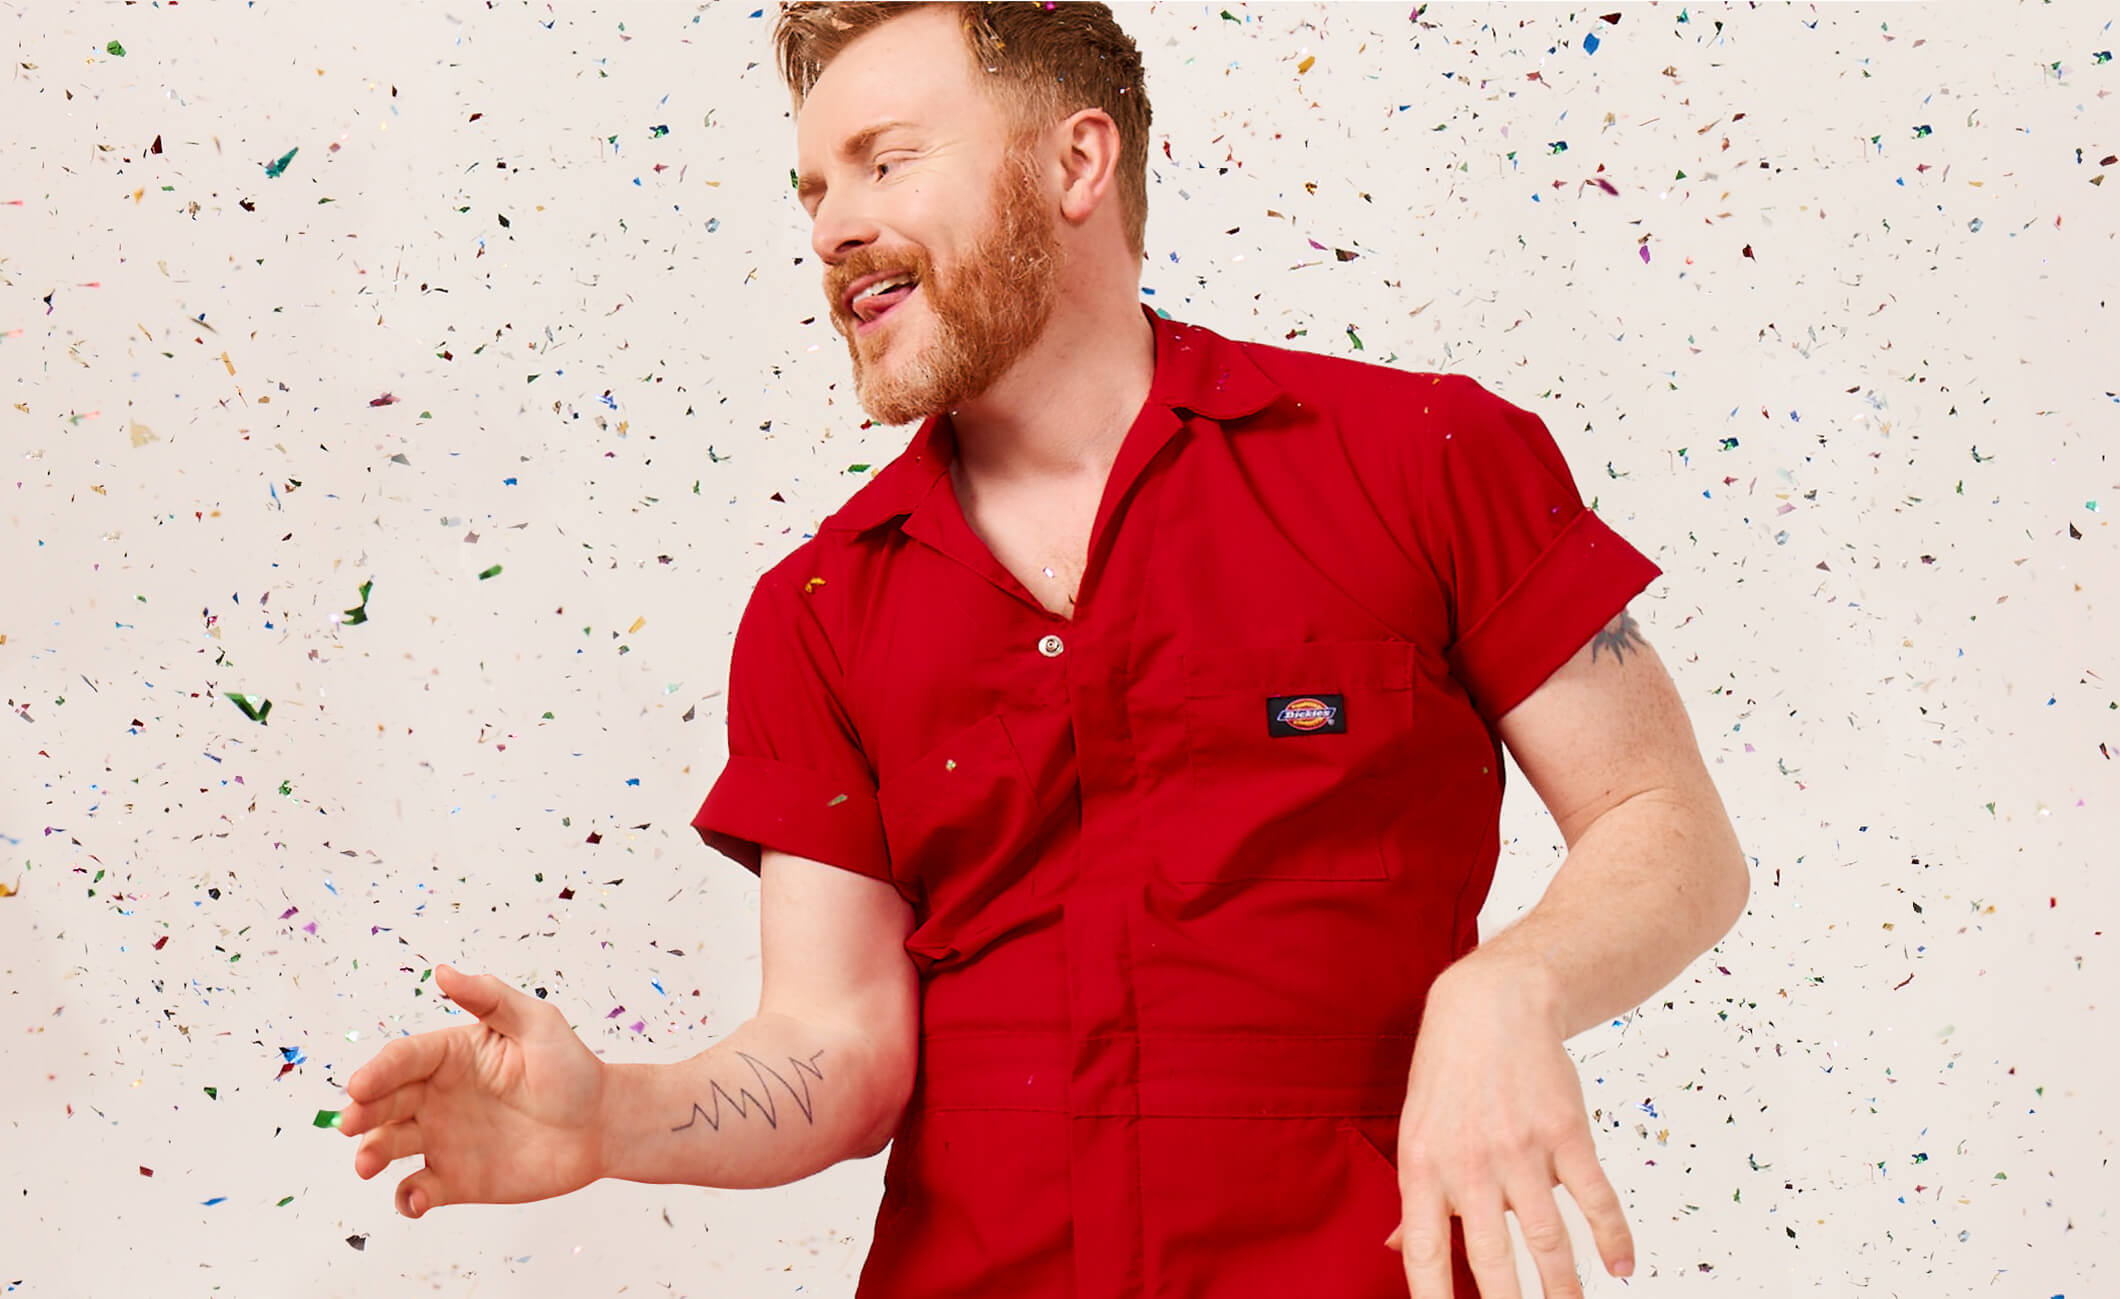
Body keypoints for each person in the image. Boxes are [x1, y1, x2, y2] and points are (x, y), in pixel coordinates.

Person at [335, 5, 1750, 1298]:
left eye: (885, 163)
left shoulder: (1426, 462)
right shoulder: (819, 608)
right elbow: (843, 1047)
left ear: (1078, 163)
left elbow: (1666, 825)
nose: (833, 228)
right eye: (815, 191)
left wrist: (1510, 987)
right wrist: (613, 1117)